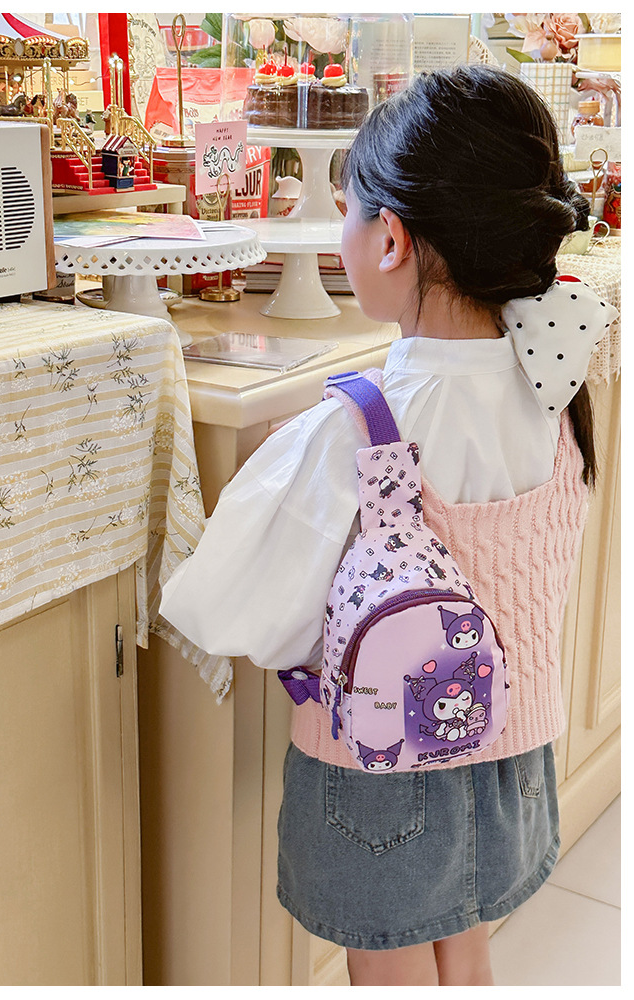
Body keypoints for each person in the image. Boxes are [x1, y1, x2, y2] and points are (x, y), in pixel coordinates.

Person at [159, 66, 618, 987]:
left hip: (380, 781)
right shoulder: (552, 386)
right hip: (512, 758)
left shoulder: (355, 428)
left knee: (392, 975)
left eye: (346, 211)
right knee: (467, 949)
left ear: (392, 238)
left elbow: (230, 611)